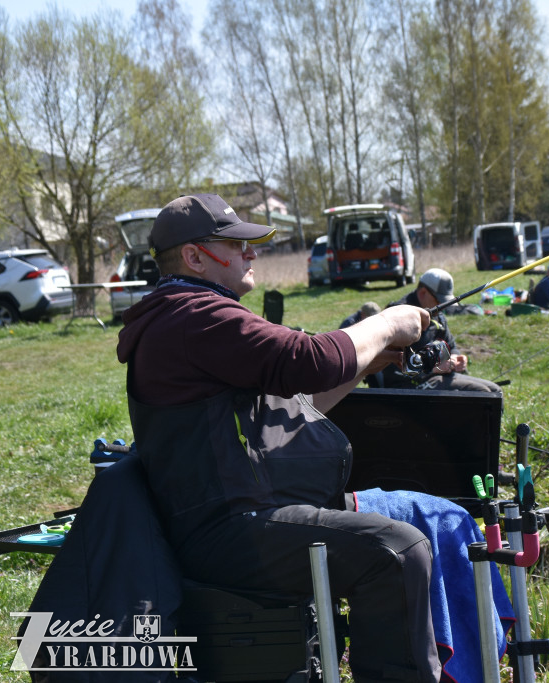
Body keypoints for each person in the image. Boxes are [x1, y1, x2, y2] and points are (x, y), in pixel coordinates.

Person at [116, 194, 509, 683]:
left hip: (249, 508)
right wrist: (388, 322)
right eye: (236, 245)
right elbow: (313, 359)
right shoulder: (194, 316)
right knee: (397, 552)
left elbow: (295, 408)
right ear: (195, 257)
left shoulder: (186, 319)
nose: (251, 253)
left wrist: (376, 357)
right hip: (231, 530)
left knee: (431, 517)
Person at [377, 268, 501, 393]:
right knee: (481, 392)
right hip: (405, 385)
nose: (442, 307)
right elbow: (392, 365)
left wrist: (455, 358)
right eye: (439, 301)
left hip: (436, 377)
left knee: (495, 391)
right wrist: (432, 369)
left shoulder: (437, 315)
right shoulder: (397, 316)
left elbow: (451, 345)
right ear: (423, 293)